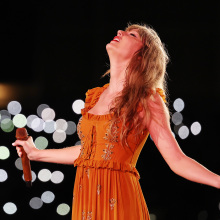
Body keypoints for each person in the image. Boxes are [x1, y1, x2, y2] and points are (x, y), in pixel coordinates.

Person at [12, 23, 220, 220]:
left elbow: (178, 160)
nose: (120, 31)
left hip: (119, 198)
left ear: (142, 57)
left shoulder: (147, 99)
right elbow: (89, 153)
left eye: (132, 34)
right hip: (86, 200)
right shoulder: (95, 97)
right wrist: (36, 154)